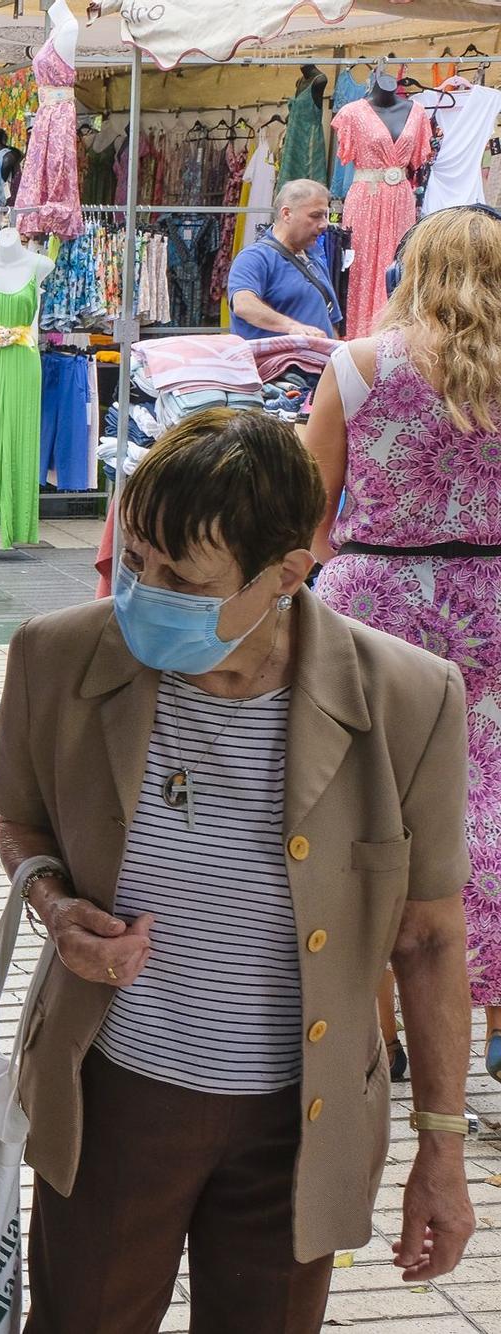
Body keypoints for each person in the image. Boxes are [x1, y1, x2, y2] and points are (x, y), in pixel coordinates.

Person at [0, 408, 473, 1333]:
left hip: (302, 1120)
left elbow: (427, 935)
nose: (143, 591)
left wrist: (441, 1149)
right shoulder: (57, 656)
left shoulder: (407, 699)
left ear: (286, 574)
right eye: (135, 559)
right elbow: (21, 823)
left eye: (182, 578)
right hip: (115, 1096)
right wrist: (55, 905)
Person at [308, 203, 501, 1081]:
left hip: (373, 608)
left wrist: (347, 567)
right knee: (487, 812)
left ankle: (382, 1033)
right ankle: (490, 1028)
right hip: (494, 605)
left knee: (375, 818)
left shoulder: (355, 364)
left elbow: (307, 513)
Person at [228, 179, 342, 339]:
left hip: (319, 361)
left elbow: (329, 321)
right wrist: (292, 327)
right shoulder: (254, 257)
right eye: (316, 216)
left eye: (325, 215)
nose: (324, 224)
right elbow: (243, 304)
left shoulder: (314, 257)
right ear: (287, 214)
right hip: (274, 363)